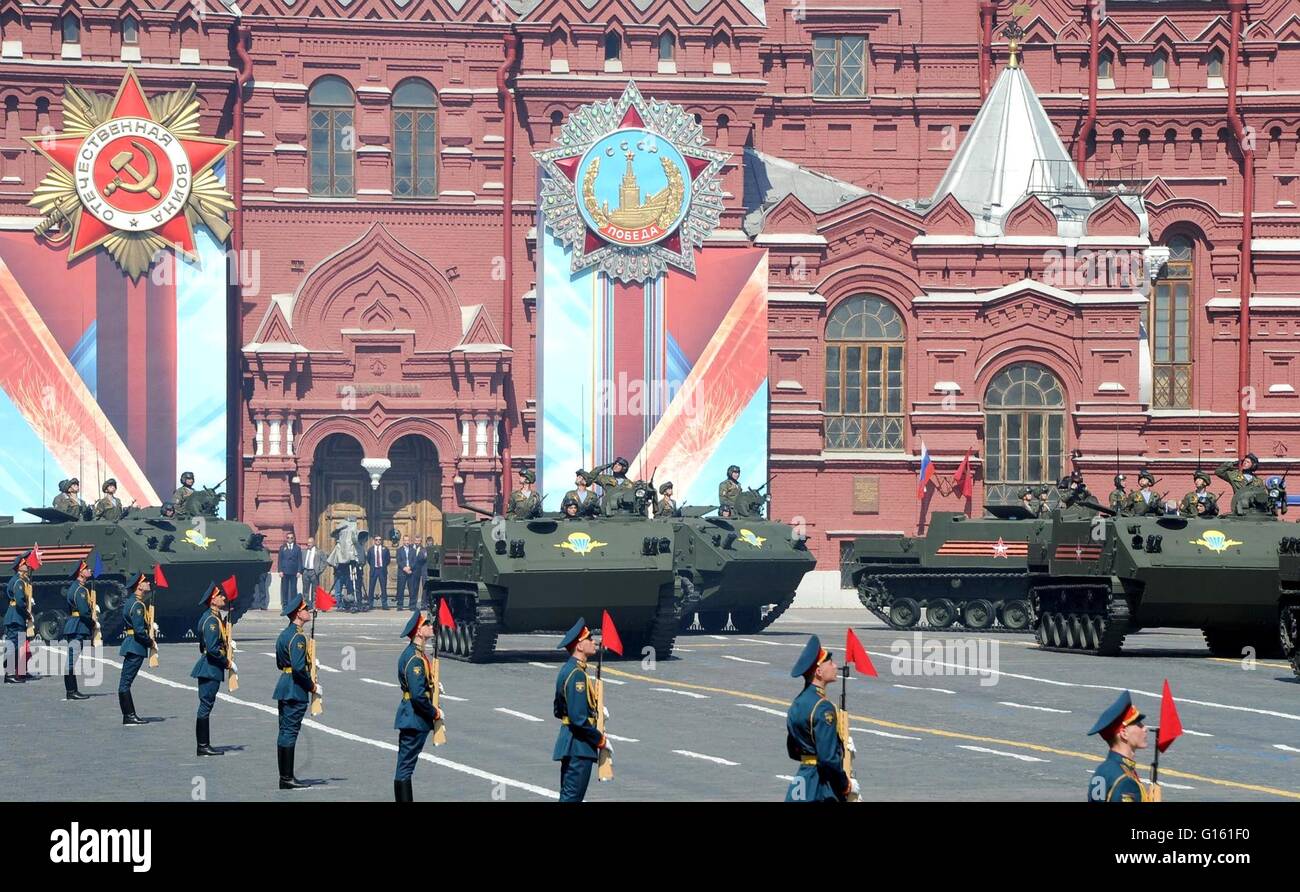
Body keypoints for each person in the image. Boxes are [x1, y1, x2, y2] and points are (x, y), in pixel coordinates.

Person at [784, 635, 856, 802]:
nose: (835, 666)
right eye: (830, 663)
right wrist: (845, 784)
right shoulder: (823, 707)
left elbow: (793, 750)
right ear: (819, 672)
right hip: (821, 785)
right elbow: (828, 758)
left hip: (802, 781)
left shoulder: (797, 703)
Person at [552, 618, 610, 802]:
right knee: (571, 798)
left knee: (569, 796)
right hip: (579, 747)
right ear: (579, 646)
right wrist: (599, 739)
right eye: (589, 639)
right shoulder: (577, 676)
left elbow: (558, 710)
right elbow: (578, 719)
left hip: (570, 744)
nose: (594, 642)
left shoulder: (567, 670)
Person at [394, 609, 442, 802]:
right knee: (405, 767)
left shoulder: (416, 654)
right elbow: (417, 696)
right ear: (418, 631)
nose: (431, 627)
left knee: (405, 766)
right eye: (427, 624)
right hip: (414, 718)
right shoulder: (414, 658)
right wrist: (434, 712)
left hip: (411, 716)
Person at [274, 592, 319, 790]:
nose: (308, 611)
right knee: (290, 732)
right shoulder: (298, 638)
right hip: (295, 688)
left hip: (284, 683)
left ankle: (285, 776)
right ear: (297, 614)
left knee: (284, 731)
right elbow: (299, 669)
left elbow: (279, 663)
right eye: (305, 609)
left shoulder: (284, 634)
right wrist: (312, 686)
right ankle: (287, 778)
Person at [1087, 690, 1160, 802]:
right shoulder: (1126, 781)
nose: (1144, 728)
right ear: (1124, 734)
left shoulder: (1102, 770)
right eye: (1138, 724)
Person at [191, 581, 233, 757]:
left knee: (206, 705)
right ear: (213, 600)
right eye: (220, 595)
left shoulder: (213, 618)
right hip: (210, 667)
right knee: (206, 705)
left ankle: (204, 744)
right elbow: (212, 648)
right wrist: (227, 662)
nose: (223, 597)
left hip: (210, 666)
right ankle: (203, 745)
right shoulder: (211, 621)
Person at [117, 573, 153, 725]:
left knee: (125, 682)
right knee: (125, 683)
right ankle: (129, 715)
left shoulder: (132, 602)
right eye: (145, 581)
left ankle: (128, 715)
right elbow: (139, 631)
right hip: (135, 646)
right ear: (139, 585)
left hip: (132, 644)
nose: (149, 583)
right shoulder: (137, 605)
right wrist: (150, 642)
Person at [61, 558, 94, 701]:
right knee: (71, 660)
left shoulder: (76, 587)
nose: (90, 570)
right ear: (81, 572)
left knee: (71, 659)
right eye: (87, 569)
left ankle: (72, 690)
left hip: (75, 624)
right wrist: (93, 623)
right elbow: (84, 611)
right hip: (78, 626)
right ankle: (71, 691)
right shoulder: (80, 590)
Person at [4, 551, 34, 683]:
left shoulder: (21, 580)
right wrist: (28, 614)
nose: (27, 565)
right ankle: (9, 673)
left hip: (17, 616)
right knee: (13, 645)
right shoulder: (18, 582)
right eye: (24, 564)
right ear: (19, 566)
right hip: (15, 616)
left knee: (18, 645)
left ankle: (18, 671)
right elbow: (20, 602)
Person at [365, 535, 390, 611]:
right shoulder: (370, 549)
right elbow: (369, 560)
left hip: (382, 570)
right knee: (371, 588)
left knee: (383, 588)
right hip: (374, 570)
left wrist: (383, 566)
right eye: (376, 540)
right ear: (374, 541)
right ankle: (370, 604)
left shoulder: (385, 549)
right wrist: (373, 566)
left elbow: (388, 559)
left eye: (379, 539)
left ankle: (384, 604)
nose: (378, 541)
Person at [278, 531, 303, 606]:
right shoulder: (282, 548)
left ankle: (293, 604)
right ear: (286, 539)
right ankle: (285, 604)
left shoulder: (297, 548)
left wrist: (299, 571)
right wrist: (280, 570)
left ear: (294, 538)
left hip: (294, 571)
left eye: (291, 538)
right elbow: (280, 560)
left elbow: (299, 560)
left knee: (293, 589)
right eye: (288, 538)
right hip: (285, 571)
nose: (289, 539)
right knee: (285, 589)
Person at [395, 535, 419, 611]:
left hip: (411, 572)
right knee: (400, 589)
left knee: (412, 589)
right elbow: (399, 561)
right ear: (403, 541)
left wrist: (410, 567)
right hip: (402, 572)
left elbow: (415, 561)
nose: (407, 542)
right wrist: (404, 568)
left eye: (408, 540)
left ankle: (412, 605)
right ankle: (400, 605)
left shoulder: (413, 550)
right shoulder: (399, 550)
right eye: (405, 540)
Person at [301, 536, 321, 608]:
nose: (308, 544)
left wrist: (319, 570)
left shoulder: (318, 552)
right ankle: (306, 605)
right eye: (308, 542)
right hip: (305, 572)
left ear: (314, 543)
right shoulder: (304, 551)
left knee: (314, 590)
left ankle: (314, 605)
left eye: (310, 543)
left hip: (314, 572)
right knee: (305, 590)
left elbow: (324, 561)